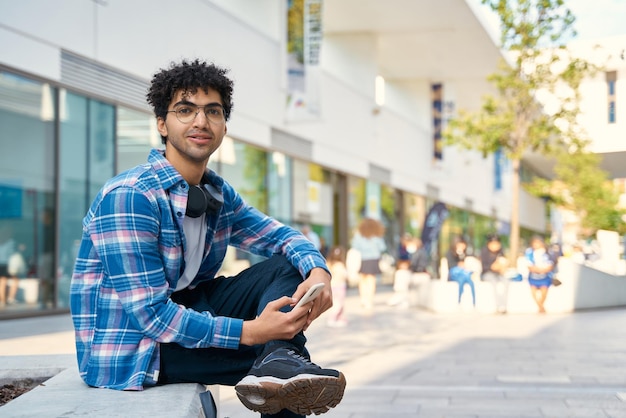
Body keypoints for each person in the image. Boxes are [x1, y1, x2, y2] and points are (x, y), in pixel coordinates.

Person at [69, 59, 345, 418]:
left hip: (186, 310)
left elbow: (283, 237)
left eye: (212, 111)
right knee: (289, 369)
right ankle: (279, 358)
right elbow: (152, 317)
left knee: (287, 274)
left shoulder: (216, 193)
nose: (200, 121)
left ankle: (278, 357)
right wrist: (251, 332)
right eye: (185, 110)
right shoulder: (131, 196)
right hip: (132, 349)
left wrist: (320, 273)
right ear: (162, 124)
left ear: (224, 126)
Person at [350, 218, 386, 310]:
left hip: (362, 259)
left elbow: (355, 245)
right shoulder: (377, 235)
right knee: (371, 280)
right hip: (374, 258)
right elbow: (382, 247)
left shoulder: (359, 234)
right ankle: (369, 300)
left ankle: (363, 299)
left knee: (363, 279)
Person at [525, 235, 555, 314]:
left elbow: (551, 264)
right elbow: (529, 265)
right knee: (533, 290)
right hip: (533, 276)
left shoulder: (548, 252)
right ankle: (540, 306)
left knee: (544, 291)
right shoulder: (529, 252)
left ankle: (541, 305)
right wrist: (536, 269)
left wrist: (544, 270)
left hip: (545, 276)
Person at [480, 234, 509, 314]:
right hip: (487, 273)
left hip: (499, 274)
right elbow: (485, 267)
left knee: (506, 282)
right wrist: (493, 267)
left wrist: (502, 267)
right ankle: (498, 306)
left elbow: (503, 263)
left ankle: (504, 306)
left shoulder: (500, 252)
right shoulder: (484, 251)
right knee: (494, 283)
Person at [445, 238, 476, 307]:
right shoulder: (449, 253)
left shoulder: (465, 253)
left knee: (469, 280)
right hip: (455, 273)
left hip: (464, 274)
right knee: (462, 279)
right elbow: (451, 265)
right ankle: (459, 299)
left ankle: (473, 300)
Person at [325, 246, 348, 327]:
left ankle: (340, 318)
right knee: (339, 303)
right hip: (340, 286)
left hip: (332, 286)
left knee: (335, 303)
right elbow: (344, 275)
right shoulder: (340, 265)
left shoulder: (328, 264)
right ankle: (333, 317)